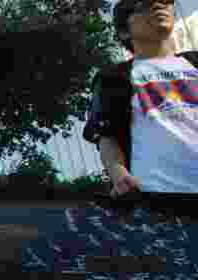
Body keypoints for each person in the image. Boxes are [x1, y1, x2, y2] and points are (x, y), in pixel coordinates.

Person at [83, 0, 198, 197]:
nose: (159, 5)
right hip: (161, 199)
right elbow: (106, 135)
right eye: (145, 4)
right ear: (124, 32)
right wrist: (118, 174)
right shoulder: (114, 77)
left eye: (165, 1)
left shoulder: (195, 62)